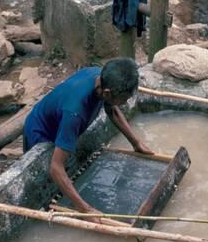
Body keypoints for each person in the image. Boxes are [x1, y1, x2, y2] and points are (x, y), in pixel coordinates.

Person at [23, 57, 154, 218]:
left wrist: (136, 143)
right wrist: (86, 210)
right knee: (45, 186)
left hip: (60, 117)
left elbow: (111, 109)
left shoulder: (101, 77)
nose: (124, 103)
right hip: (41, 132)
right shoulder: (75, 112)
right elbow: (56, 168)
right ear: (107, 93)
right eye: (124, 100)